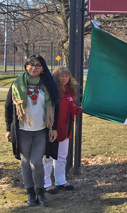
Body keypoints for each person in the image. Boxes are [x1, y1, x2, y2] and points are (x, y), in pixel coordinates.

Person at [4, 54, 60, 206]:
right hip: (22, 131)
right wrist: (9, 128)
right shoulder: (16, 84)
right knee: (25, 163)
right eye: (31, 64)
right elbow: (9, 107)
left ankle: (40, 193)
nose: (34, 68)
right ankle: (30, 194)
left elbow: (55, 106)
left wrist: (53, 128)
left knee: (37, 162)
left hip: (41, 130)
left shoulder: (48, 84)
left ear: (42, 68)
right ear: (26, 66)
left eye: (37, 65)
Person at [43, 66, 82, 194]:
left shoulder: (69, 90)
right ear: (56, 77)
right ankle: (46, 182)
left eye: (66, 76)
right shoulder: (52, 90)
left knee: (62, 156)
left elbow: (71, 108)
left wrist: (79, 109)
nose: (64, 78)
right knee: (48, 156)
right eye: (61, 76)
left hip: (66, 128)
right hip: (53, 128)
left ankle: (60, 180)